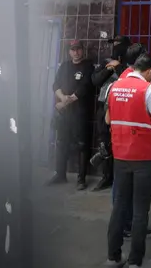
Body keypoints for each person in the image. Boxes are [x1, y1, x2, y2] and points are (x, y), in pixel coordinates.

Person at [105, 54, 151, 268]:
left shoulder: (114, 86)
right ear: (149, 71)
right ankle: (135, 262)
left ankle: (113, 257)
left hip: (121, 155)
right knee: (140, 210)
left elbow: (107, 119)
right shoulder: (149, 90)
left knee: (119, 206)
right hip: (144, 157)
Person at [48, 40, 96, 189]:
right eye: (73, 49)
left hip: (80, 112)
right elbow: (55, 85)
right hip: (64, 113)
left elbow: (85, 87)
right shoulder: (64, 66)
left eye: (78, 49)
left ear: (82, 50)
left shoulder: (88, 66)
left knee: (82, 144)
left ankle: (81, 179)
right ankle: (60, 174)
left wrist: (66, 101)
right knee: (61, 142)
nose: (76, 52)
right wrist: (62, 98)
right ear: (69, 51)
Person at [90, 35, 131, 191]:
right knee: (104, 141)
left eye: (118, 44)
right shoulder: (107, 62)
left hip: (122, 108)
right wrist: (110, 68)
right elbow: (95, 80)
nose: (115, 46)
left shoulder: (130, 65)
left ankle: (121, 178)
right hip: (104, 107)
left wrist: (118, 67)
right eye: (113, 44)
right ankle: (106, 177)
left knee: (121, 143)